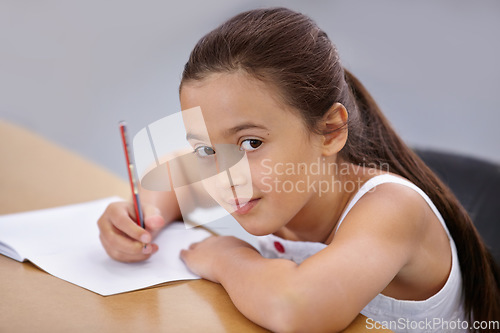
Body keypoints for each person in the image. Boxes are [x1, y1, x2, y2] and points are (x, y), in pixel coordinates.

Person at [97, 7, 500, 332]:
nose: (224, 176)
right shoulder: (271, 184)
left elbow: (296, 310)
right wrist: (139, 216)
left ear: (330, 131)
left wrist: (227, 257)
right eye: (206, 149)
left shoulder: (392, 210)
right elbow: (169, 178)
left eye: (250, 143)